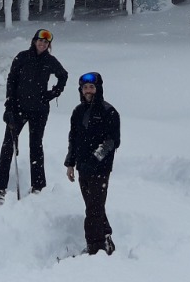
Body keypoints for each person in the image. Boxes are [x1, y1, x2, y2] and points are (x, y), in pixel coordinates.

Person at [0, 29, 68, 203]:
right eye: (40, 41)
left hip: (39, 111)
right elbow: (11, 80)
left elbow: (63, 75)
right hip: (18, 108)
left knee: (36, 147)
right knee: (8, 146)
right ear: (34, 41)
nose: (42, 44)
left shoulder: (50, 61)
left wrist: (53, 93)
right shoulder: (22, 57)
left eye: (46, 43)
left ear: (49, 45)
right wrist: (9, 105)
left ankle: (38, 187)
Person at [64, 71, 121, 255]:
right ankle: (105, 238)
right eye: (85, 87)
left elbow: (112, 141)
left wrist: (95, 159)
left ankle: (94, 248)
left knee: (93, 210)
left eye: (91, 87)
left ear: (98, 89)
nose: (88, 90)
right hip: (82, 168)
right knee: (93, 206)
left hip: (100, 169)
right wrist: (70, 163)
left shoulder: (108, 111)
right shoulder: (78, 111)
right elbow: (73, 138)